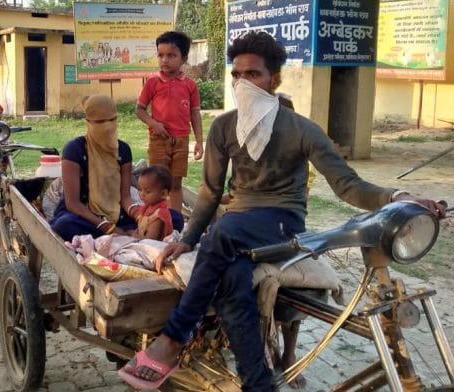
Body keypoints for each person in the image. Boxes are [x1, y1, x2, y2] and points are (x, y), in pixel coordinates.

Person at [118, 31, 447, 391]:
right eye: (236, 75)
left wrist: (399, 195)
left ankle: (174, 338)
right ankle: (258, 383)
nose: (243, 83)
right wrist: (187, 239)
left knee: (225, 233)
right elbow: (211, 193)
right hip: (237, 226)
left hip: (281, 223)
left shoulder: (300, 128)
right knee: (232, 280)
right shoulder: (225, 127)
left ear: (273, 80)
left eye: (253, 74)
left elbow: (347, 184)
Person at [49, 94, 139, 241]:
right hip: (84, 216)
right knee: (64, 224)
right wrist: (109, 228)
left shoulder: (123, 150)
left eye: (112, 120)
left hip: (117, 214)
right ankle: (120, 235)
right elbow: (73, 203)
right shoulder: (74, 149)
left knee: (175, 219)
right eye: (100, 122)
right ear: (88, 122)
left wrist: (140, 214)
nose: (107, 126)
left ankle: (121, 234)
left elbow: (126, 197)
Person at [136, 31, 204, 212]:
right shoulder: (152, 83)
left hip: (181, 141)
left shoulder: (190, 85)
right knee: (156, 183)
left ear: (184, 58)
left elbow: (195, 115)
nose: (165, 60)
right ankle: (152, 217)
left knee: (175, 184)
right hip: (159, 140)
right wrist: (154, 124)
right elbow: (139, 110)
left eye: (171, 55)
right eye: (161, 55)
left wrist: (198, 141)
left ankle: (174, 220)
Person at [132, 164, 173, 241]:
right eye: (140, 190)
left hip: (154, 246)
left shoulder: (158, 214)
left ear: (163, 194)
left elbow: (150, 240)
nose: (142, 194)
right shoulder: (146, 207)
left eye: (147, 191)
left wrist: (134, 237)